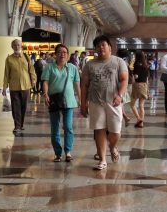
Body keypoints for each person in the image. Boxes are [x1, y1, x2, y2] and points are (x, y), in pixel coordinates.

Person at [79, 35, 129, 171]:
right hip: (95, 102)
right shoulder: (89, 65)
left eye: (103, 45)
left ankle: (112, 147)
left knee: (115, 132)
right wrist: (83, 104)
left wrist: (120, 95)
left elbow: (124, 80)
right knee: (99, 130)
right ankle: (102, 160)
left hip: (114, 102)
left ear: (109, 48)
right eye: (98, 46)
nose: (100, 48)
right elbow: (84, 85)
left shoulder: (118, 62)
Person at [41, 44, 81, 162]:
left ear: (68, 55)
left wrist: (81, 100)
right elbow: (45, 82)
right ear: (55, 54)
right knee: (55, 127)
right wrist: (45, 94)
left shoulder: (72, 68)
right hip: (54, 100)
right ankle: (58, 153)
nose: (62, 54)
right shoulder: (49, 67)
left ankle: (68, 151)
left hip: (68, 101)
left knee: (68, 127)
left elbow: (77, 85)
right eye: (59, 52)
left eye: (64, 52)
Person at [1, 39, 37, 136]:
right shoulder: (9, 59)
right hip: (14, 87)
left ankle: (21, 124)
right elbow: (6, 74)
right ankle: (17, 125)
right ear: (12, 47)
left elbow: (32, 70)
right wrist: (4, 87)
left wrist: (33, 80)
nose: (17, 47)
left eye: (18, 45)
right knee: (16, 106)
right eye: (15, 45)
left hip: (26, 86)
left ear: (21, 46)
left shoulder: (26, 57)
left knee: (23, 106)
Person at [130, 50, 149, 128]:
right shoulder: (145, 65)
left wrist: (132, 75)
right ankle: (141, 123)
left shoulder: (136, 65)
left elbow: (136, 77)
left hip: (137, 85)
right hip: (144, 85)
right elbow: (147, 79)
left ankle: (138, 118)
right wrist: (147, 89)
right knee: (141, 105)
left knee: (132, 104)